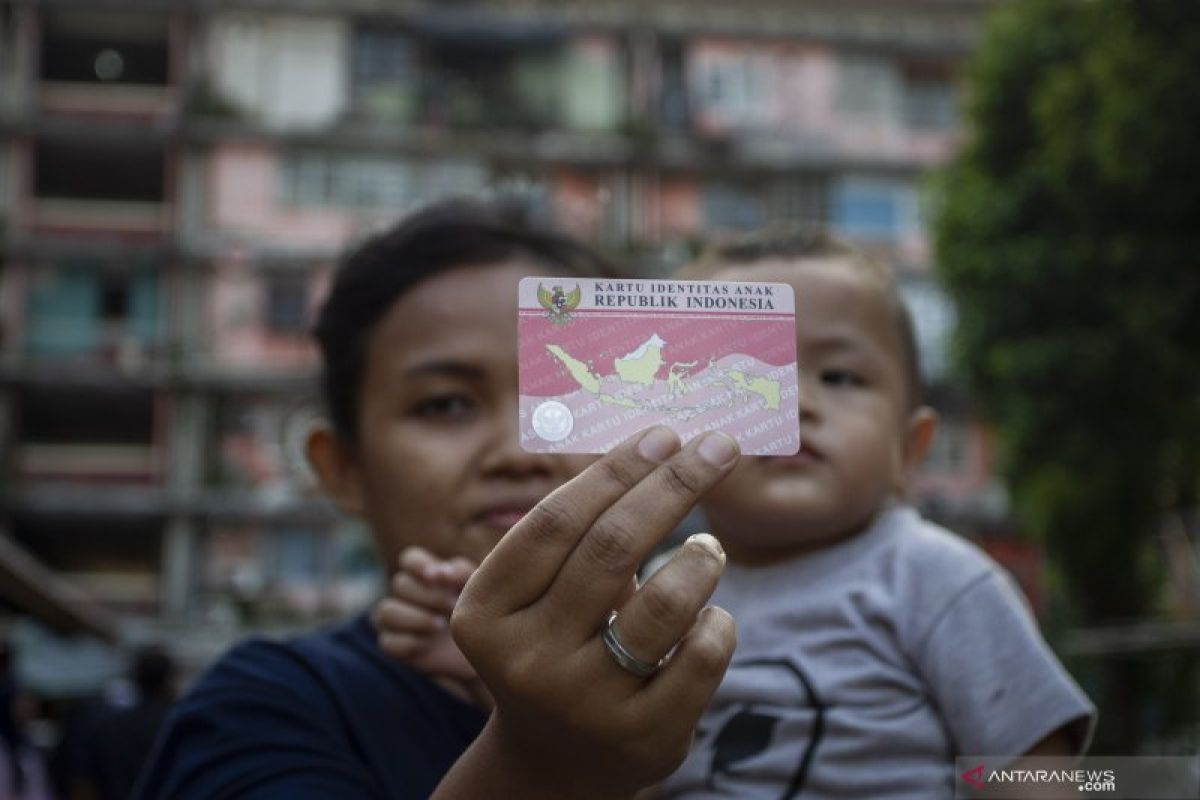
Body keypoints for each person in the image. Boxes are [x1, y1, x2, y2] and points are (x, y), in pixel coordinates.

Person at [377, 229, 1097, 798]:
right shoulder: (647, 586)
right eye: (741, 375)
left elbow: (1033, 771)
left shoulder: (939, 579)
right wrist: (492, 683)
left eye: (839, 376)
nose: (799, 402)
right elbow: (607, 766)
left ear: (911, 449)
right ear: (666, 424)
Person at [132, 198, 744, 800]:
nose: (519, 451)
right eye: (445, 404)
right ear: (342, 467)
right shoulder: (264, 709)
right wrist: (546, 766)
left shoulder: (757, 677)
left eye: (575, 396)